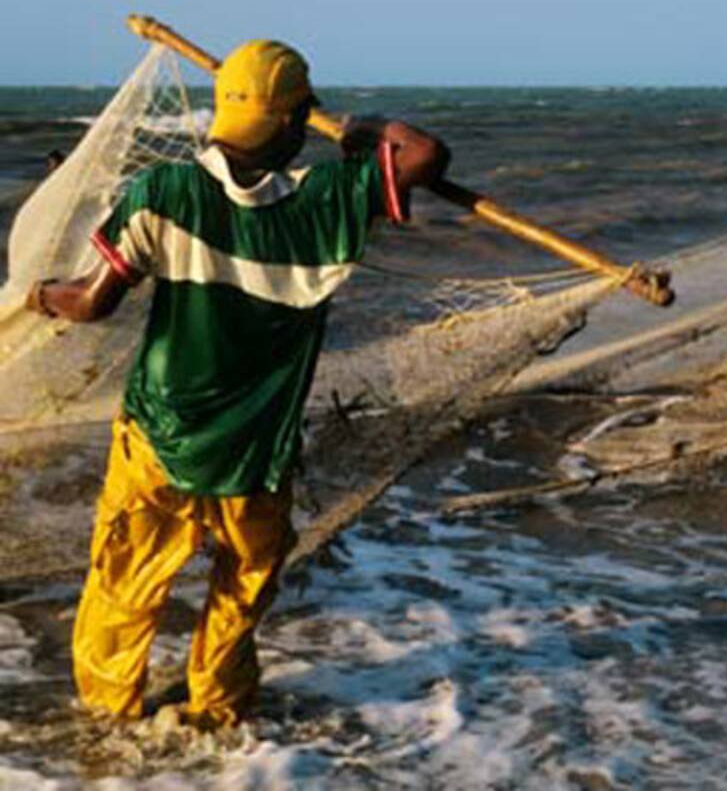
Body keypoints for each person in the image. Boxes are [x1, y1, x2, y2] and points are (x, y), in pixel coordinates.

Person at [23, 39, 449, 728]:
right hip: (259, 453)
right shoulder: (326, 204)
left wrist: (38, 294)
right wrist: (356, 128)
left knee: (125, 585)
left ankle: (108, 723)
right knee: (241, 590)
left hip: (160, 439)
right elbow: (424, 154)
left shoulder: (166, 192)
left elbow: (92, 301)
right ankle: (221, 713)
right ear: (293, 123)